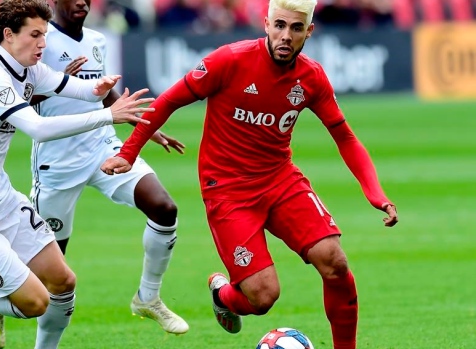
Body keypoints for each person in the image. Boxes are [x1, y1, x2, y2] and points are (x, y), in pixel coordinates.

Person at [101, 0, 399, 348]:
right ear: (266, 23)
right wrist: (128, 152)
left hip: (280, 179)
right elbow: (168, 100)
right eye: (280, 25)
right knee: (262, 297)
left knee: (335, 262)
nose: (286, 36)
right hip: (227, 192)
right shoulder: (230, 59)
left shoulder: (312, 77)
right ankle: (224, 295)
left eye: (296, 28)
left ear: (309, 32)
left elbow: (344, 136)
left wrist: (374, 192)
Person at [0, 1, 155, 349]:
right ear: (8, 35)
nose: (44, 43)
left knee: (63, 281)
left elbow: (77, 89)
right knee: (33, 303)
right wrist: (108, 116)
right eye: (35, 34)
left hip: (0, 195)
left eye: (45, 33)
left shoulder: (28, 68)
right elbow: (38, 128)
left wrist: (101, 87)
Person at [0, 0, 189, 347]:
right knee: (50, 275)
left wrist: (145, 128)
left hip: (103, 147)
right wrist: (58, 83)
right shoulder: (39, 41)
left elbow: (105, 93)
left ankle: (148, 297)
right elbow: (18, 102)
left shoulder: (96, 40)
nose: (82, 2)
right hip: (58, 164)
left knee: (164, 208)